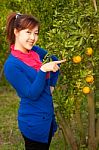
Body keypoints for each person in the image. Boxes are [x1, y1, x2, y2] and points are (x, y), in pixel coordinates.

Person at [4, 12, 66, 150]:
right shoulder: (11, 66)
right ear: (16, 32)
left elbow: (55, 60)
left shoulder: (35, 52)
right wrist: (43, 70)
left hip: (47, 118)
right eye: (28, 32)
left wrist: (51, 85)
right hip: (33, 123)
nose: (33, 38)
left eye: (36, 33)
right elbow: (31, 93)